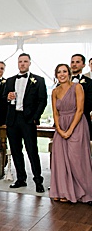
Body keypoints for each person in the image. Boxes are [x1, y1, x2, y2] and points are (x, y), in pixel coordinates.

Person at [3, 53, 47, 192]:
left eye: (25, 61)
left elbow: (42, 100)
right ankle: (21, 179)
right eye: (20, 61)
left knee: (32, 150)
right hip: (12, 119)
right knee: (16, 151)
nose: (22, 64)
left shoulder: (38, 80)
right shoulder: (9, 81)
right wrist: (8, 98)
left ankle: (38, 180)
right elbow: (3, 98)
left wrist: (35, 118)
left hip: (28, 120)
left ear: (29, 63)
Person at [49, 64, 92, 203]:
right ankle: (63, 191)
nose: (62, 74)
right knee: (60, 159)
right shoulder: (55, 91)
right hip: (61, 126)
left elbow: (80, 110)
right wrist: (60, 130)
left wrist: (70, 130)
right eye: (59, 72)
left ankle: (85, 192)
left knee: (76, 159)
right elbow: (55, 112)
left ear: (69, 73)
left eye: (64, 72)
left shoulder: (77, 87)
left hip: (77, 124)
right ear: (56, 75)